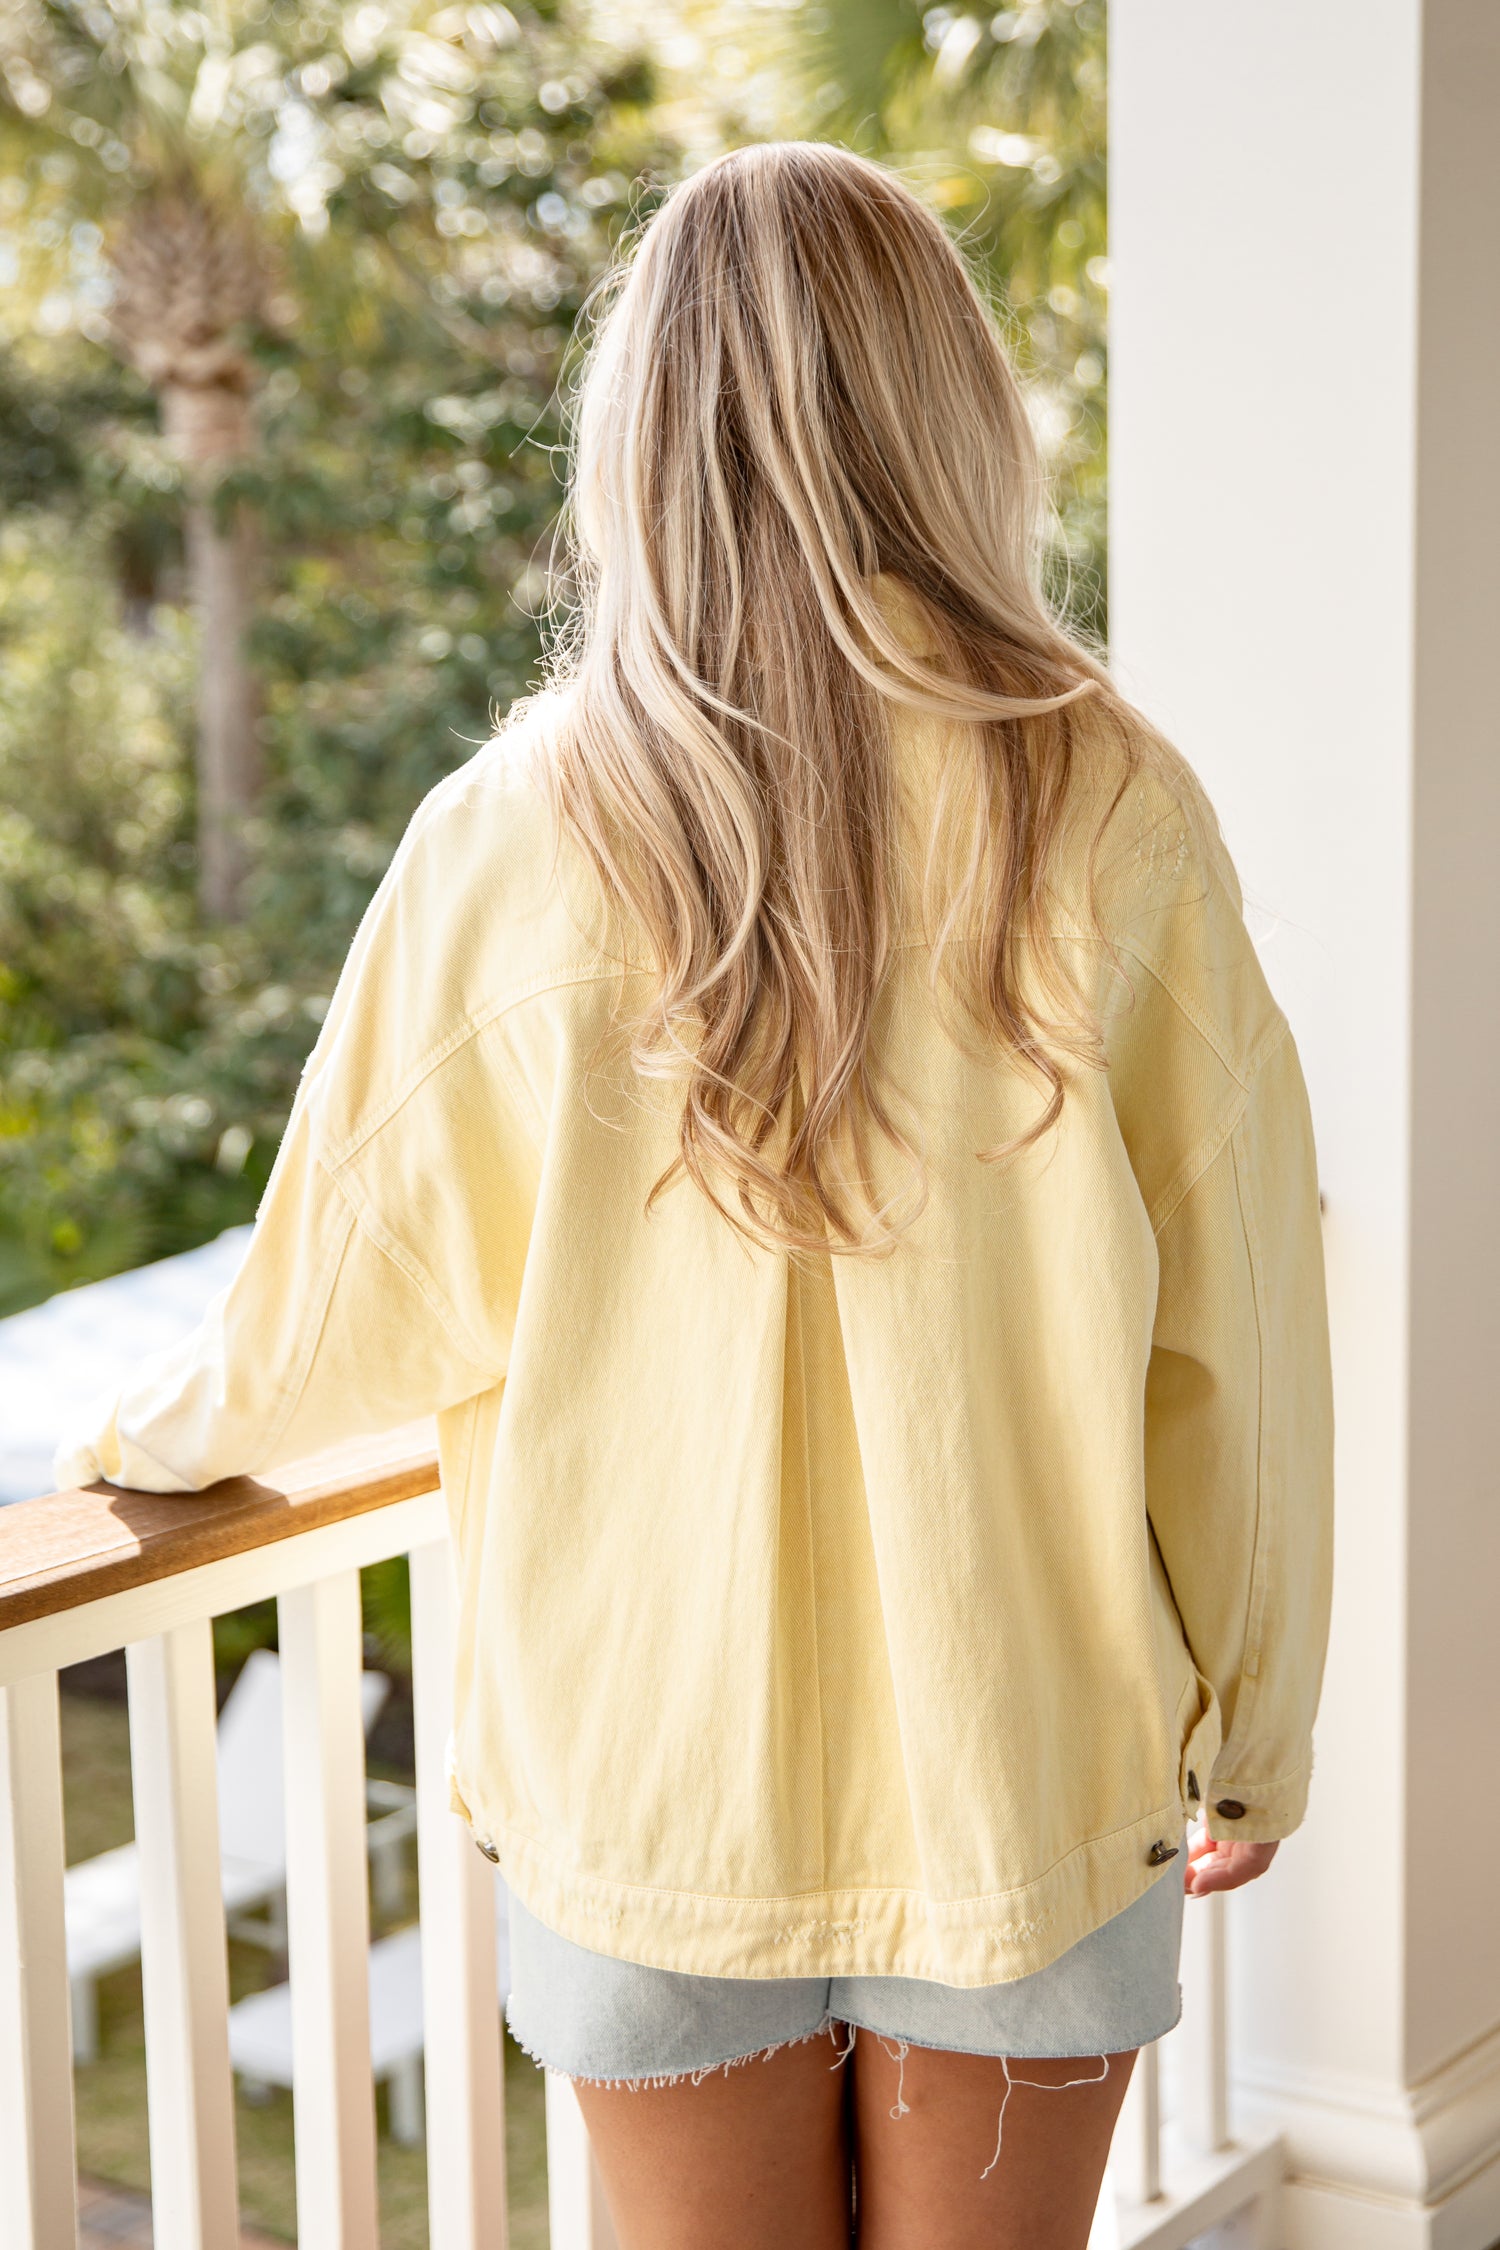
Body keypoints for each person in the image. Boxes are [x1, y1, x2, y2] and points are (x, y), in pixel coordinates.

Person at [56, 142, 1335, 2249]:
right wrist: (1252, 1720)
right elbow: (1240, 1332)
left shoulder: (512, 831)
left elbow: (332, 1304)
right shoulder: (1113, 803)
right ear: (947, 411)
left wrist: (138, 1448)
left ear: (642, 432)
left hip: (650, 1791)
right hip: (1029, 1766)